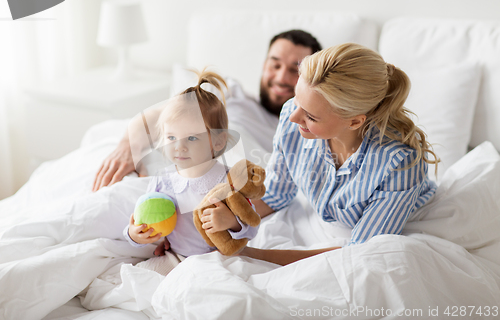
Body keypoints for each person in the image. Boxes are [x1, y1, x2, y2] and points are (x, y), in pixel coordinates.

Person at [230, 43, 439, 266]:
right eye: (297, 100)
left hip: (399, 229)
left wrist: (253, 255)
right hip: (331, 229)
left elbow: (361, 252)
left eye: (310, 116)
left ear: (355, 121)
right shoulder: (293, 115)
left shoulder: (398, 163)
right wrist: (230, 220)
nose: (293, 117)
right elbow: (277, 194)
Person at [92, 30, 322, 191]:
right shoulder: (229, 90)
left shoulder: (304, 131)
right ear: (264, 66)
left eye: (295, 70)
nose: (281, 77)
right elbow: (158, 115)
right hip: (156, 173)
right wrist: (127, 149)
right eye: (275, 65)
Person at [125, 69, 258, 259]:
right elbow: (145, 219)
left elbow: (252, 228)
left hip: (219, 258)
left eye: (192, 138)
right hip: (175, 255)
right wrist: (134, 235)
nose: (179, 147)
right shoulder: (163, 181)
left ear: (218, 141)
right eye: (171, 137)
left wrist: (232, 223)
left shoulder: (227, 182)